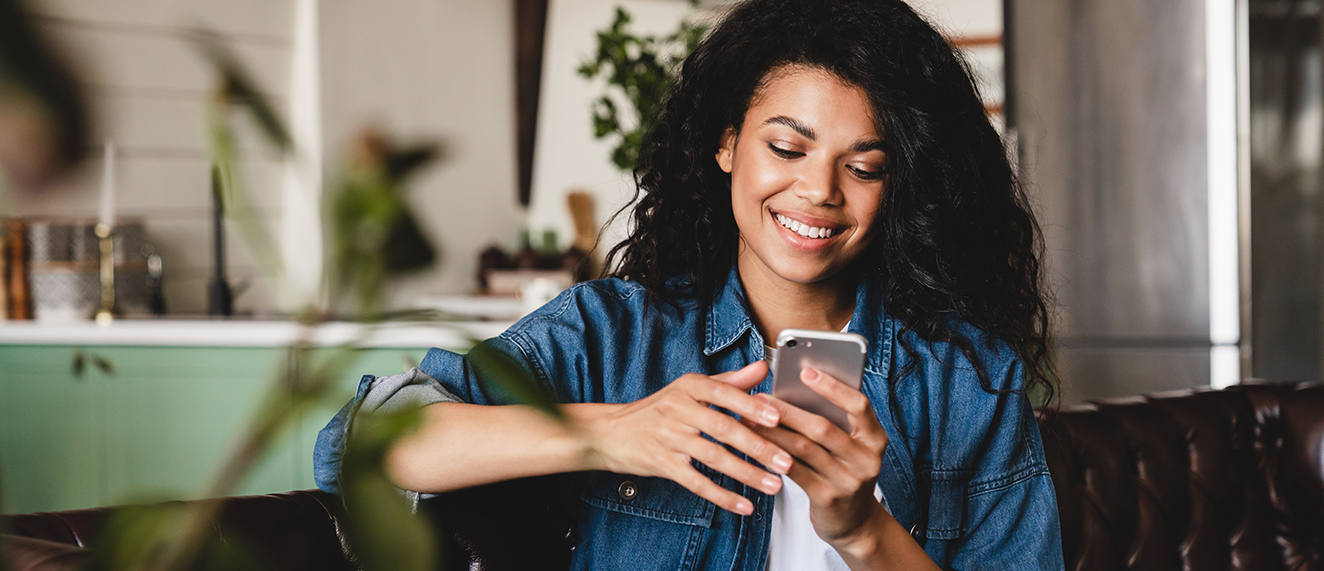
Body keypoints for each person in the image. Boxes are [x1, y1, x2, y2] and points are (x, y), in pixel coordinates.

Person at [314, 0, 1064, 568]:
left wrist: (865, 530)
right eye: (786, 147)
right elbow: (366, 443)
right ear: (728, 143)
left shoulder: (967, 382)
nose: (819, 190)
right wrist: (614, 430)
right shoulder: (612, 338)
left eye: (864, 167)